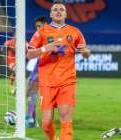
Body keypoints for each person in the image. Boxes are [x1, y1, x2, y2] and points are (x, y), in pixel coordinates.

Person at [27, 1, 90, 140]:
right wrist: (45, 48)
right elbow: (29, 54)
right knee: (47, 123)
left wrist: (85, 52)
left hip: (67, 81)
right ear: (50, 14)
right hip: (47, 82)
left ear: (66, 14)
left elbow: (85, 52)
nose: (59, 11)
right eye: (55, 9)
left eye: (62, 9)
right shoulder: (41, 32)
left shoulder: (74, 32)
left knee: (65, 118)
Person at [26, 16, 48, 128]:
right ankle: (32, 119)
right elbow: (31, 51)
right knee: (29, 90)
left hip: (48, 67)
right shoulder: (38, 35)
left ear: (46, 24)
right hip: (40, 64)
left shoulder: (50, 34)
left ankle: (30, 118)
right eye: (36, 27)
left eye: (40, 26)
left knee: (32, 89)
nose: (38, 28)